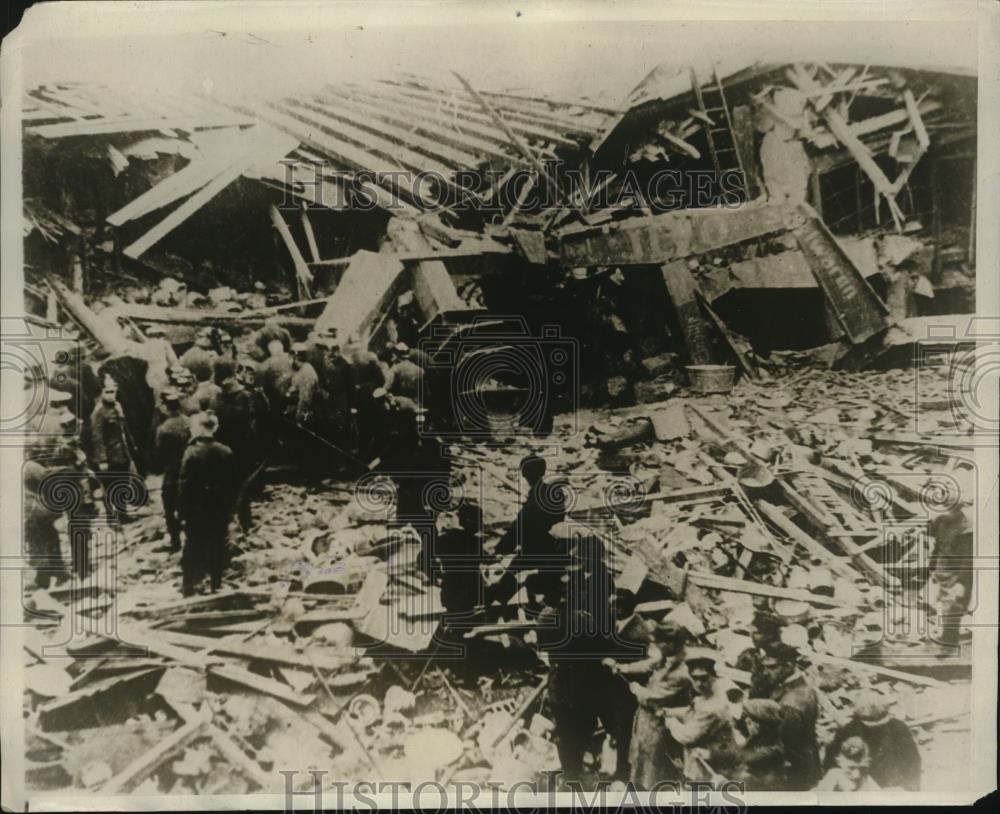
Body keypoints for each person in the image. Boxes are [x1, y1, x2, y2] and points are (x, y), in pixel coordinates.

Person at [177, 412, 239, 596]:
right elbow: (233, 484)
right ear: (215, 428)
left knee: (192, 545)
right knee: (217, 544)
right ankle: (216, 584)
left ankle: (189, 585)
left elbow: (184, 485)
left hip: (196, 509)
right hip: (218, 507)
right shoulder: (226, 451)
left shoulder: (191, 452)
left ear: (200, 428)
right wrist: (231, 509)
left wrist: (181, 511)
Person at [626, 620, 693, 788]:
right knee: (643, 759)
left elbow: (655, 696)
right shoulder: (669, 657)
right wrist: (623, 668)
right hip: (649, 721)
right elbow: (648, 665)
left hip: (661, 722)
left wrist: (637, 689)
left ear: (671, 643)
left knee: (656, 765)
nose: (657, 646)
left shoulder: (681, 670)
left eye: (660, 642)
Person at [665, 649, 738, 783]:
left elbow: (687, 737)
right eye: (695, 678)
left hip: (711, 763)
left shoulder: (713, 705)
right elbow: (693, 711)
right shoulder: (709, 694)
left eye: (704, 678)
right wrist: (670, 712)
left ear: (713, 676)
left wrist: (670, 722)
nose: (699, 684)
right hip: (709, 756)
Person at [822, 691, 920, 791]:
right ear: (860, 719)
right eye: (871, 726)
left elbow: (912, 764)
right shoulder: (849, 731)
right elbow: (831, 764)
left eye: (880, 725)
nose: (877, 729)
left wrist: (906, 789)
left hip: (891, 786)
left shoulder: (898, 728)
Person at [757, 642, 821, 790]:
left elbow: (786, 744)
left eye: (772, 667)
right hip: (806, 759)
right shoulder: (797, 685)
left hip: (795, 770)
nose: (766, 672)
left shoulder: (792, 702)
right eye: (765, 667)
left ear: (789, 665)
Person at [88, 380, 139, 525]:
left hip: (122, 454)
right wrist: (102, 459)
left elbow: (124, 429)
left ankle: (123, 514)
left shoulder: (118, 406)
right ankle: (111, 517)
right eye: (107, 392)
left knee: (122, 484)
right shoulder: (99, 412)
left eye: (113, 392)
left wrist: (132, 445)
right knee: (109, 487)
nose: (111, 395)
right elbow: (97, 437)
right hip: (110, 457)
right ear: (102, 393)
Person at [153, 390, 190, 552]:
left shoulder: (163, 429)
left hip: (172, 471)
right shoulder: (189, 423)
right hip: (190, 470)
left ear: (167, 408)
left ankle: (175, 541)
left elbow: (159, 454)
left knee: (169, 505)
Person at [23, 460, 66, 590]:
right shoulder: (31, 467)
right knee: (49, 543)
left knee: (39, 546)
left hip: (39, 515)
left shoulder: (29, 468)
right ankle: (57, 574)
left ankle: (45, 579)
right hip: (41, 514)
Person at [735, 698, 789, 791]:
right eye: (747, 719)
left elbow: (747, 757)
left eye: (752, 720)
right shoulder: (754, 740)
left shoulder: (773, 749)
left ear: (765, 725)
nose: (747, 723)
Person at [738, 611, 785, 696]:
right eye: (751, 632)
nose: (751, 635)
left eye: (756, 633)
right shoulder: (753, 652)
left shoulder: (778, 658)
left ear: (768, 634)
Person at [816, 737, 881, 791]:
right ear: (839, 762)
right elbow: (816, 796)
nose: (857, 775)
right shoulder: (834, 775)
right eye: (851, 768)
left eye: (861, 769)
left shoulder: (866, 779)